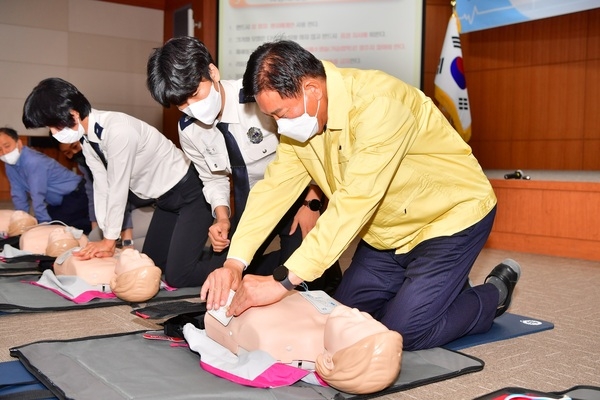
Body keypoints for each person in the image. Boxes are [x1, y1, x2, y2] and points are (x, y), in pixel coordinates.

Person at [200, 40, 521, 351]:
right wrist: (234, 263)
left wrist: (281, 281)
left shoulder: (380, 104)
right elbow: (272, 190)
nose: (279, 126)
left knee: (404, 333)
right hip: (387, 231)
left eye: (282, 114)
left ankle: (494, 294)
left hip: (449, 219)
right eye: (273, 117)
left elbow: (354, 203)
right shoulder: (304, 124)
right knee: (343, 319)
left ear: (312, 90)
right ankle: (440, 291)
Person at [146, 36, 341, 290]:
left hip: (293, 197)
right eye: (182, 104)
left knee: (301, 280)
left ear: (212, 72)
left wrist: (312, 203)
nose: (192, 108)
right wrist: (222, 217)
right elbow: (212, 178)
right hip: (252, 208)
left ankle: (325, 269)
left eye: (195, 94)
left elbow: (309, 148)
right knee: (226, 276)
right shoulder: (189, 130)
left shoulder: (260, 98)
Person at [22, 77, 214, 288]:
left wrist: (110, 240)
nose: (53, 133)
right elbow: (101, 186)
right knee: (150, 266)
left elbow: (117, 188)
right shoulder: (88, 140)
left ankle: (239, 267)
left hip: (191, 194)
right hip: (165, 200)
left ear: (72, 114)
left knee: (178, 277)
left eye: (53, 126)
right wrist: (106, 235)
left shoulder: (117, 131)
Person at [0, 127, 91, 233]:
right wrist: (21, 220)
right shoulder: (9, 166)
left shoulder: (33, 161)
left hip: (78, 193)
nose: (4, 152)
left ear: (19, 143)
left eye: (7, 146)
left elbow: (37, 194)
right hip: (60, 201)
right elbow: (18, 194)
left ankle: (97, 224)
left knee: (55, 226)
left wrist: (44, 226)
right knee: (39, 222)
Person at [58, 141, 134, 248]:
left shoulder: (103, 152)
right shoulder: (83, 163)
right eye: (67, 153)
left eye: (75, 147)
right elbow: (92, 195)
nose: (74, 153)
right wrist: (95, 230)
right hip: (118, 204)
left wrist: (127, 240)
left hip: (138, 202)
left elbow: (120, 193)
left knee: (127, 243)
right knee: (95, 237)